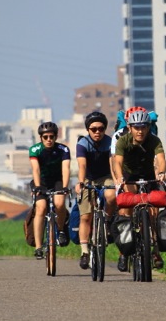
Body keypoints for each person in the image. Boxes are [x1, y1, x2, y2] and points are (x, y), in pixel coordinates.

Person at [112, 108, 166, 271]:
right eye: (136, 127)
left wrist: (162, 172)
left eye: (143, 127)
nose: (140, 131)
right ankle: (124, 253)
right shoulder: (123, 141)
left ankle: (156, 250)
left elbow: (161, 160)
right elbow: (117, 162)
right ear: (129, 128)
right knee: (126, 211)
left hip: (149, 175)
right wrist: (119, 177)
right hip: (130, 176)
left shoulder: (154, 141)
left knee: (154, 212)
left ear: (148, 127)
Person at [75, 111, 117, 270]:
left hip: (106, 176)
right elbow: (82, 166)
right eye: (93, 129)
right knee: (85, 216)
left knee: (112, 196)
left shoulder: (110, 142)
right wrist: (80, 182)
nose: (97, 132)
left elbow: (113, 164)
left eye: (101, 128)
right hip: (88, 178)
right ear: (88, 130)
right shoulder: (82, 144)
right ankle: (84, 252)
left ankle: (107, 220)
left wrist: (117, 181)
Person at [29, 121, 71, 259]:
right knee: (41, 207)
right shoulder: (35, 150)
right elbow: (35, 168)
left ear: (56, 137)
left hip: (58, 180)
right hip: (41, 181)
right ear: (41, 138)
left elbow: (66, 168)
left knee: (59, 203)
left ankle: (60, 231)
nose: (49, 140)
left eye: (51, 137)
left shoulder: (63, 150)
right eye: (45, 137)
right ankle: (38, 247)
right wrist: (37, 186)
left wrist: (65, 187)